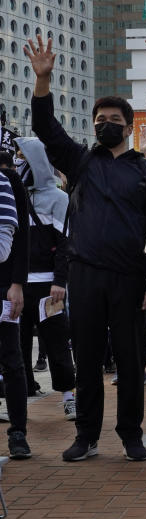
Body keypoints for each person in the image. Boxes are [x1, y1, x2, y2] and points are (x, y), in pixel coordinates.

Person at [28, 35, 146, 463]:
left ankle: (131, 436)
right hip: (85, 276)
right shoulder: (80, 160)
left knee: (130, 362)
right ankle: (86, 435)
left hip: (129, 278)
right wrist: (43, 80)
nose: (105, 123)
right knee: (85, 359)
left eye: (113, 118)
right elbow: (45, 128)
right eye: (99, 118)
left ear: (129, 126)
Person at [13, 137, 76, 420]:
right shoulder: (15, 196)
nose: (17, 162)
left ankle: (68, 396)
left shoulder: (59, 198)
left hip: (49, 284)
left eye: (22, 157)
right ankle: (20, 399)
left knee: (57, 342)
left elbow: (65, 243)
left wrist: (60, 281)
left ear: (36, 160)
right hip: (18, 284)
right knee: (17, 344)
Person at [0, 165, 30, 459]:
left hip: (4, 282)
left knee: (12, 358)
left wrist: (17, 282)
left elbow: (22, 237)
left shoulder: (8, 177)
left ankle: (18, 431)